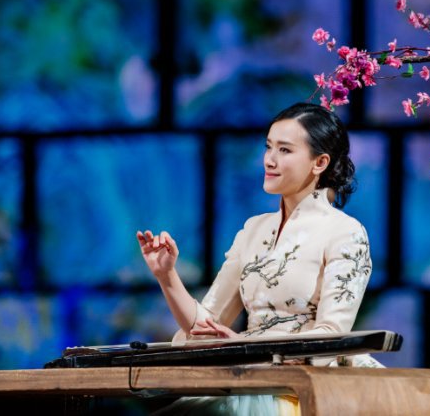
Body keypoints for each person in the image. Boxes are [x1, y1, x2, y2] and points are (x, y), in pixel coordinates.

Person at [137, 102, 375, 415]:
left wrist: (247, 348)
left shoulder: (345, 232)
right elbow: (205, 327)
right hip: (250, 381)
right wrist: (167, 276)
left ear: (320, 162)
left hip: (305, 388)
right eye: (268, 147)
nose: (269, 160)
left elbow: (332, 336)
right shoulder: (253, 229)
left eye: (285, 150)